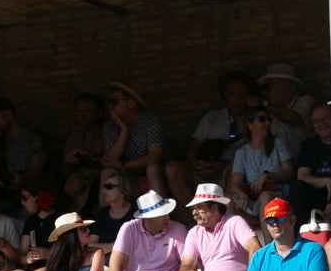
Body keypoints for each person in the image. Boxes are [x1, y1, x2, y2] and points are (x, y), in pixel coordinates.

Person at [172, 183, 260, 271]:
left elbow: (255, 249)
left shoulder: (234, 222)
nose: (194, 212)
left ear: (214, 208)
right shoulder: (194, 232)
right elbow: (185, 266)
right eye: (194, 208)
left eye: (199, 208)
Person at [166, 68, 253, 205]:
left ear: (248, 96)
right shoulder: (212, 117)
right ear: (225, 95)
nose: (236, 99)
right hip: (204, 169)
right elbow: (193, 148)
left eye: (241, 94)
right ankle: (197, 217)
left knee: (237, 164)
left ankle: (228, 217)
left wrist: (223, 165)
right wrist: (197, 165)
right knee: (172, 169)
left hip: (232, 173)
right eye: (232, 94)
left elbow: (254, 151)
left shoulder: (254, 119)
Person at [229, 104, 293, 221]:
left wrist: (267, 176)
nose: (267, 123)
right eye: (262, 119)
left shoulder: (278, 143)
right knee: (228, 199)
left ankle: (268, 239)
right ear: (250, 125)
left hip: (276, 194)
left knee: (265, 196)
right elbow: (235, 184)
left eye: (269, 120)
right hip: (252, 197)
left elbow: (290, 172)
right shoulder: (242, 152)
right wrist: (243, 196)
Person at [102, 80, 166, 194]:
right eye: (109, 102)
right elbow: (109, 159)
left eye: (114, 102)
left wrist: (123, 165)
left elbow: (153, 157)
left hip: (146, 170)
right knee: (106, 173)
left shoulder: (150, 121)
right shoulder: (110, 126)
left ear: (131, 102)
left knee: (153, 169)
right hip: (126, 174)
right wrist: (123, 130)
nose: (110, 106)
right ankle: (108, 212)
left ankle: (159, 211)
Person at [0, 97, 46, 212]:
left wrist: (22, 177)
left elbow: (38, 167)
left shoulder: (30, 138)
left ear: (8, 115)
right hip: (4, 197)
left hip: (30, 196)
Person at [289, 102, 331, 224]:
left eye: (325, 118)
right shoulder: (309, 145)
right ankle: (300, 233)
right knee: (296, 187)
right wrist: (327, 181)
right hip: (319, 195)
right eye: (317, 120)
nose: (321, 123)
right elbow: (302, 176)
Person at [62, 91, 106, 211]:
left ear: (98, 113)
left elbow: (113, 162)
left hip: (101, 184)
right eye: (79, 111)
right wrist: (70, 161)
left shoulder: (108, 135)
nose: (83, 115)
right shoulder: (73, 140)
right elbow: (65, 173)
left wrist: (90, 156)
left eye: (87, 111)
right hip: (79, 188)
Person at [91, 168, 137, 255]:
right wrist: (112, 246)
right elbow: (89, 245)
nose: (104, 191)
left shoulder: (136, 211)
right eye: (104, 187)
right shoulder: (102, 214)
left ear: (123, 189)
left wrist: (107, 247)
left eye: (109, 187)